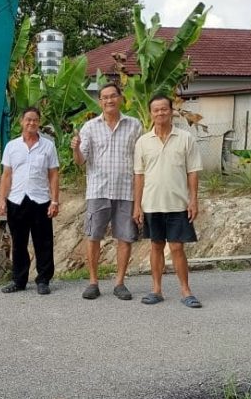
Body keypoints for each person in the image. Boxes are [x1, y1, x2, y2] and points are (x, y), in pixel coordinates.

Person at [71, 83, 142, 300]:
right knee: (93, 236)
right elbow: (80, 162)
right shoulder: (90, 127)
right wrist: (75, 148)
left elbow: (141, 160)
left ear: (121, 98)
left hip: (125, 191)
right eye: (104, 97)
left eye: (113, 96)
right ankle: (93, 282)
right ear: (100, 101)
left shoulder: (135, 125)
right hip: (98, 190)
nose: (109, 100)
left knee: (125, 237)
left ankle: (120, 283)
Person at [133, 94, 204, 308]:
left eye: (164, 109)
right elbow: (139, 175)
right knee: (155, 246)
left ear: (171, 111)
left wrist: (193, 200)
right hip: (152, 203)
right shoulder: (143, 142)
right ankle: (156, 289)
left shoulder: (185, 138)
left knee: (176, 247)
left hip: (178, 203)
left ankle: (186, 290)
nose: (160, 113)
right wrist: (137, 205)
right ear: (150, 113)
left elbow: (192, 172)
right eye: (156, 110)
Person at [0, 107, 60, 295]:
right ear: (21, 122)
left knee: (43, 242)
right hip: (16, 200)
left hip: (40, 200)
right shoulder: (12, 146)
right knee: (18, 243)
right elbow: (6, 175)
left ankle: (43, 280)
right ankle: (19, 280)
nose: (31, 123)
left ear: (39, 123)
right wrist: (2, 199)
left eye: (35, 120)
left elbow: (54, 175)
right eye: (28, 120)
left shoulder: (48, 146)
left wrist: (55, 201)